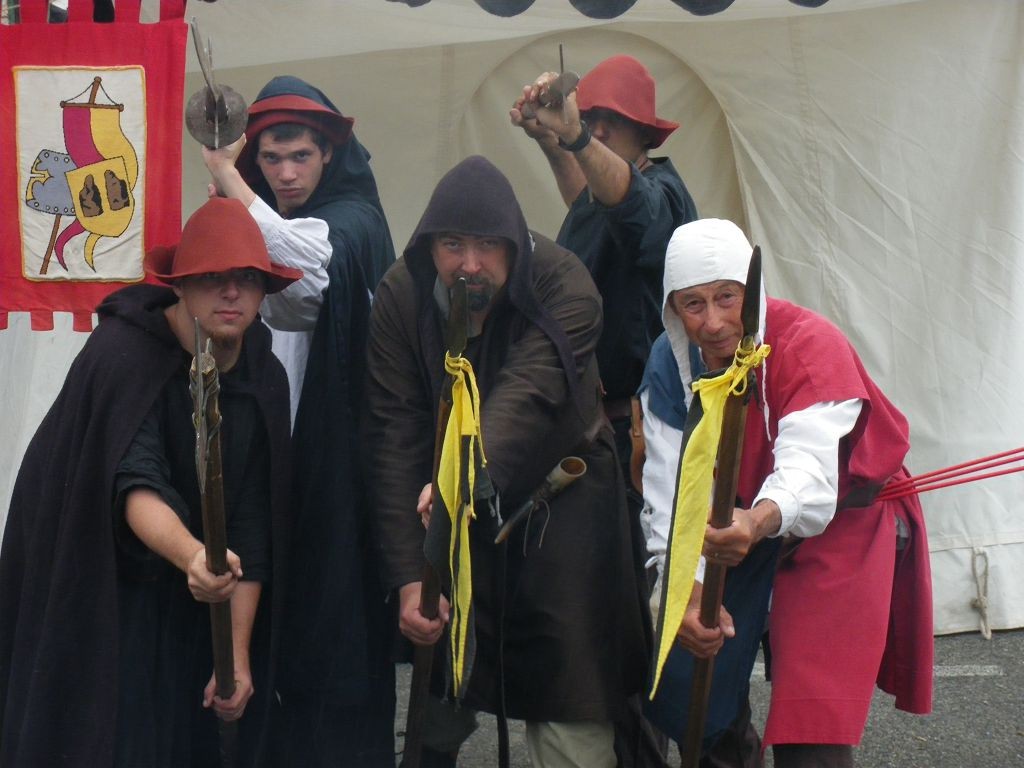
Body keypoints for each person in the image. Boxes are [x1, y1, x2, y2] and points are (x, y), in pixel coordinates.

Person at [363, 156, 652, 768]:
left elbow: (529, 390)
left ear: (513, 245)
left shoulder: (565, 283)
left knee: (572, 691)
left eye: (487, 245)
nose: (470, 263)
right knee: (439, 685)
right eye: (453, 245)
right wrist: (410, 577)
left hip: (563, 505)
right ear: (429, 245)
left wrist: (464, 474)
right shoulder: (402, 293)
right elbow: (394, 432)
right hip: (447, 506)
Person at [0, 198, 299, 767]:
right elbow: (135, 482)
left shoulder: (265, 378)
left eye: (246, 279)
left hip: (206, 598)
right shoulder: (123, 356)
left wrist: (235, 654)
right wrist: (192, 555)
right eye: (211, 278)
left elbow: (257, 522)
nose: (231, 292)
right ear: (180, 286)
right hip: (112, 587)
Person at [641, 219, 934, 767]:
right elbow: (670, 489)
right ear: (672, 308)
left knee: (811, 706)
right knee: (695, 677)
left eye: (727, 297)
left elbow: (807, 470)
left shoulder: (809, 342)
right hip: (735, 520)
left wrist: (757, 521)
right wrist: (686, 589)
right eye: (693, 304)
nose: (713, 322)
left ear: (751, 293)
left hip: (843, 521)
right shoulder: (668, 363)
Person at [202, 76, 398, 766]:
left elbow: (304, 275)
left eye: (300, 157)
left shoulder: (354, 220)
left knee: (328, 628)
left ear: (328, 155)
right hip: (268, 449)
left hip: (337, 465)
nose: (286, 174)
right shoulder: (250, 213)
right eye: (271, 158)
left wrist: (228, 174)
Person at [510, 53, 698, 490]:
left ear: (645, 133)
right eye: (592, 117)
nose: (598, 129)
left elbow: (631, 206)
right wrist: (549, 138)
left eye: (613, 119)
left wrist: (575, 134)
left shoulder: (663, 196)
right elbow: (587, 199)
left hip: (643, 435)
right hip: (593, 427)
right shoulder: (604, 192)